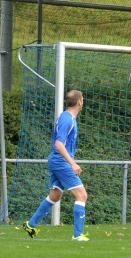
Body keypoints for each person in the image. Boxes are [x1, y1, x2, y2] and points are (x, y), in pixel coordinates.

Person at [23, 90, 90, 241]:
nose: (83, 101)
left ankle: (31, 224)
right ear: (79, 102)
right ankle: (78, 235)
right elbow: (59, 143)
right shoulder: (67, 119)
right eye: (83, 99)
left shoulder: (68, 117)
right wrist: (72, 163)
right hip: (61, 161)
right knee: (82, 195)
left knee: (55, 195)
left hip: (57, 160)